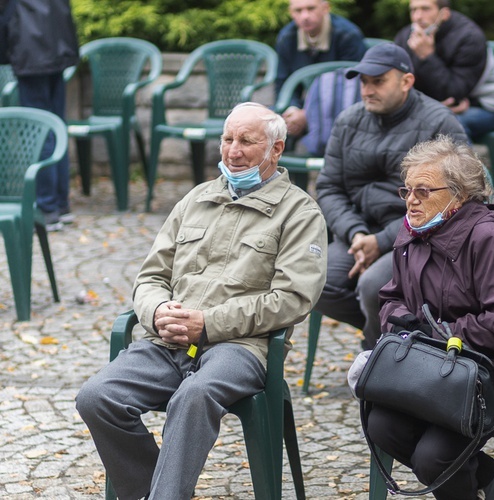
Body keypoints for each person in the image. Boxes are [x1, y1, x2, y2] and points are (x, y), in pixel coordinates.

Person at [75, 103, 328, 500]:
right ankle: (151, 489)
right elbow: (150, 277)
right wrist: (158, 311)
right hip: (169, 341)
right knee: (97, 396)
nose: (233, 150)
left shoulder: (299, 211)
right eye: (227, 139)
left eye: (247, 141)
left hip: (240, 347)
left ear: (275, 149)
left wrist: (209, 323)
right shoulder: (196, 199)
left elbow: (293, 299)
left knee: (193, 397)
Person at [367, 136, 494, 500]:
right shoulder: (413, 232)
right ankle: (490, 477)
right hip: (433, 368)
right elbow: (390, 298)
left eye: (423, 190)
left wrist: (437, 334)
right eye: (407, 190)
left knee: (434, 457)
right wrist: (402, 321)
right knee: (382, 425)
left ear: (459, 195)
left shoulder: (489, 238)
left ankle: (480, 481)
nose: (411, 201)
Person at [314, 43, 468, 350]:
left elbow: (455, 199)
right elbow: (329, 187)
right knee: (313, 281)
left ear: (406, 82)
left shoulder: (439, 123)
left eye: (378, 81)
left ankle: (380, 353)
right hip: (359, 232)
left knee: (374, 287)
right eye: (364, 82)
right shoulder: (348, 122)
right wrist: (356, 233)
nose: (368, 90)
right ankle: (394, 334)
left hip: (422, 239)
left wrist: (382, 241)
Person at [3, 0, 79, 231]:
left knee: (41, 132)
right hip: (57, 53)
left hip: (31, 55)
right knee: (56, 128)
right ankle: (60, 205)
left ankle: (47, 208)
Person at [394, 0, 494, 140]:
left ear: (444, 13)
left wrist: (427, 57)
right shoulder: (406, 37)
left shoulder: (469, 37)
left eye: (425, 9)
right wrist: (429, 106)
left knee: (447, 124)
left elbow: (453, 94)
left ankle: (463, 163)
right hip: (433, 104)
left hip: (479, 104)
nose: (417, 16)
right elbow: (398, 84)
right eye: (413, 10)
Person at [275, 0, 367, 138]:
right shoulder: (286, 37)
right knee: (271, 123)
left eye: (311, 8)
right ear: (291, 13)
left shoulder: (347, 35)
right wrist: (293, 110)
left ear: (325, 8)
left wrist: (309, 113)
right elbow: (283, 81)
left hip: (342, 106)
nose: (305, 16)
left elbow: (353, 86)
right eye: (298, 11)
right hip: (302, 107)